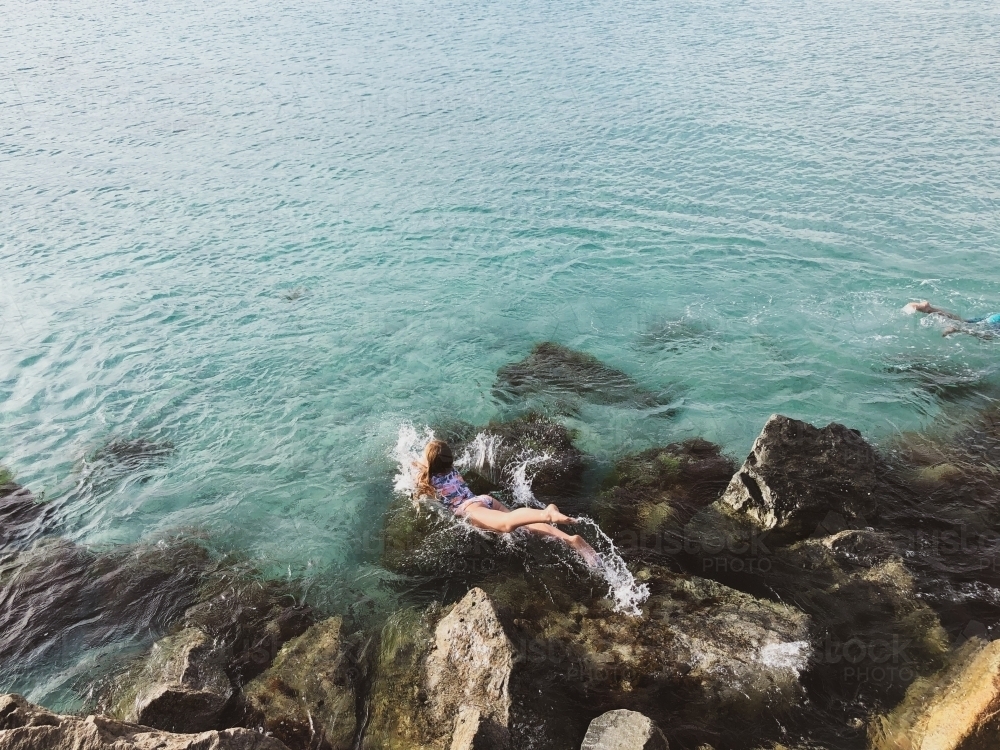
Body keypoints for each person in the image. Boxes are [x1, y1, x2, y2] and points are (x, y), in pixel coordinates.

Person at [414, 439, 600, 566]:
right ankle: (570, 540)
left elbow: (419, 478)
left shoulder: (427, 479)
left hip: (470, 509)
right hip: (483, 500)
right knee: (522, 525)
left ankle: (547, 514)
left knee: (508, 525)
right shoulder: (452, 469)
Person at [904, 300, 1000, 338]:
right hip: (995, 322)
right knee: (983, 333)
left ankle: (929, 309)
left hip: (995, 317)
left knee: (963, 321)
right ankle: (958, 328)